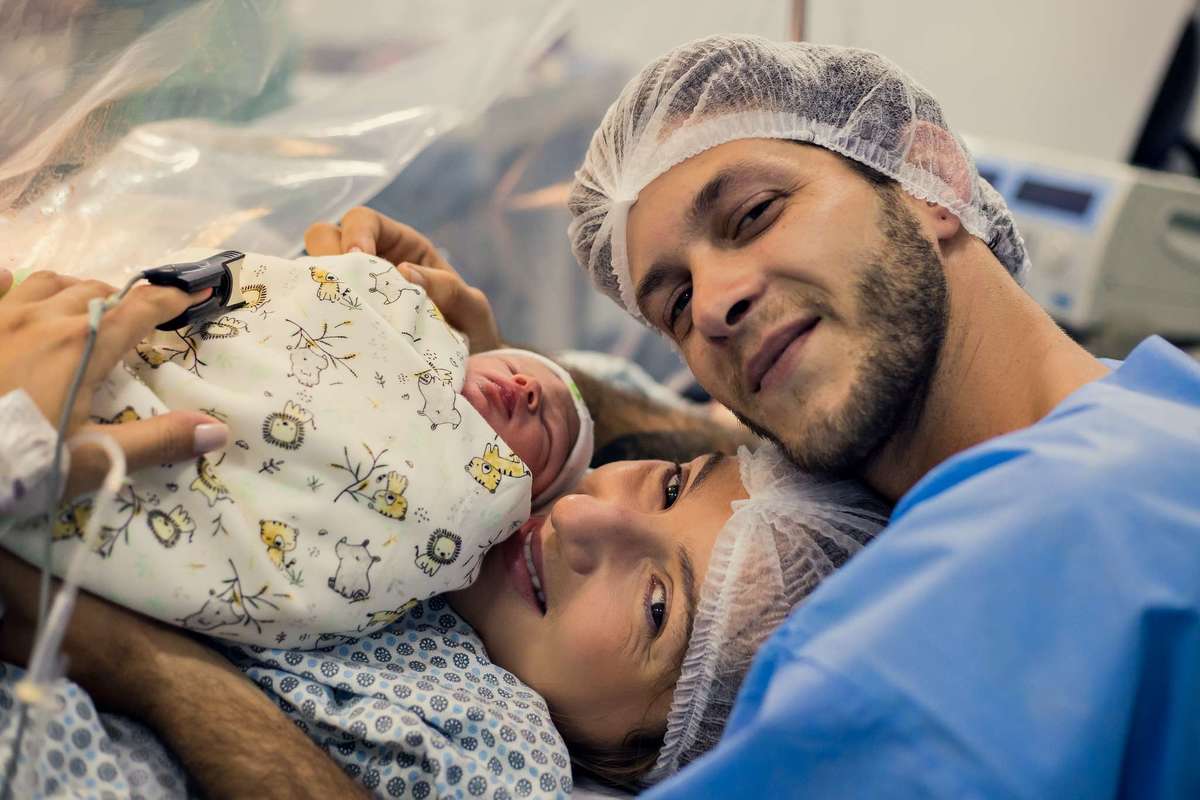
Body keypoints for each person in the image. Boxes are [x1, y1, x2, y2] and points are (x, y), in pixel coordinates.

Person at [563, 34, 1200, 797]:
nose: (714, 304)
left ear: (927, 180)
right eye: (675, 303)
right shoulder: (1148, 409)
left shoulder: (957, 612)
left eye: (755, 213)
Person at [0, 261, 889, 795]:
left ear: (631, 759)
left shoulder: (483, 747)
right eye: (665, 484)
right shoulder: (497, 476)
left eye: (658, 608)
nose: (581, 516)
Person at [3, 250, 593, 650]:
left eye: (549, 433)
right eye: (520, 368)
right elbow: (307, 300)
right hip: (93, 366)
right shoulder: (405, 333)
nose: (527, 391)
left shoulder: (457, 509)